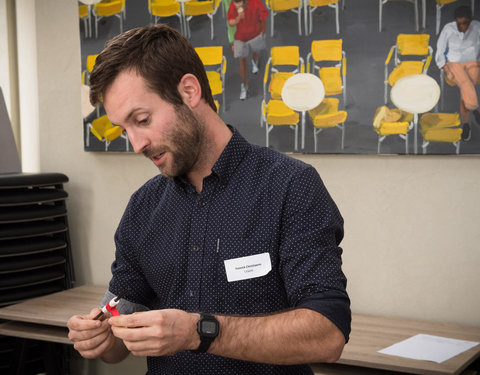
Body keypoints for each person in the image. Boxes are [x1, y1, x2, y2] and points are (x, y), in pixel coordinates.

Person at [67, 24, 351, 375]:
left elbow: (327, 335)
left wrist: (197, 332)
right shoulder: (142, 208)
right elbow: (118, 332)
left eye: (142, 120)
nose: (136, 144)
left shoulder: (290, 186)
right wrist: (102, 339)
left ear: (188, 90)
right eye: (125, 129)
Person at [435, 5, 480, 141]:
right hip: (453, 64)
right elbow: (439, 54)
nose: (462, 27)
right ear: (456, 21)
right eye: (459, 23)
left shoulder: (477, 27)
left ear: (470, 21)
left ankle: (466, 122)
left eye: (465, 23)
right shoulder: (448, 29)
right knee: (466, 83)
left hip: (473, 63)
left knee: (465, 89)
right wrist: (447, 70)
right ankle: (473, 110)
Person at [227, 0, 268, 100]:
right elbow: (230, 23)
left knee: (255, 51)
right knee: (242, 61)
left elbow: (263, 18)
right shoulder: (233, 4)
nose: (236, 6)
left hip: (255, 35)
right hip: (240, 38)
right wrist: (238, 18)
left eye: (239, 3)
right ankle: (244, 86)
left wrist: (263, 33)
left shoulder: (256, 2)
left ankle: (255, 62)